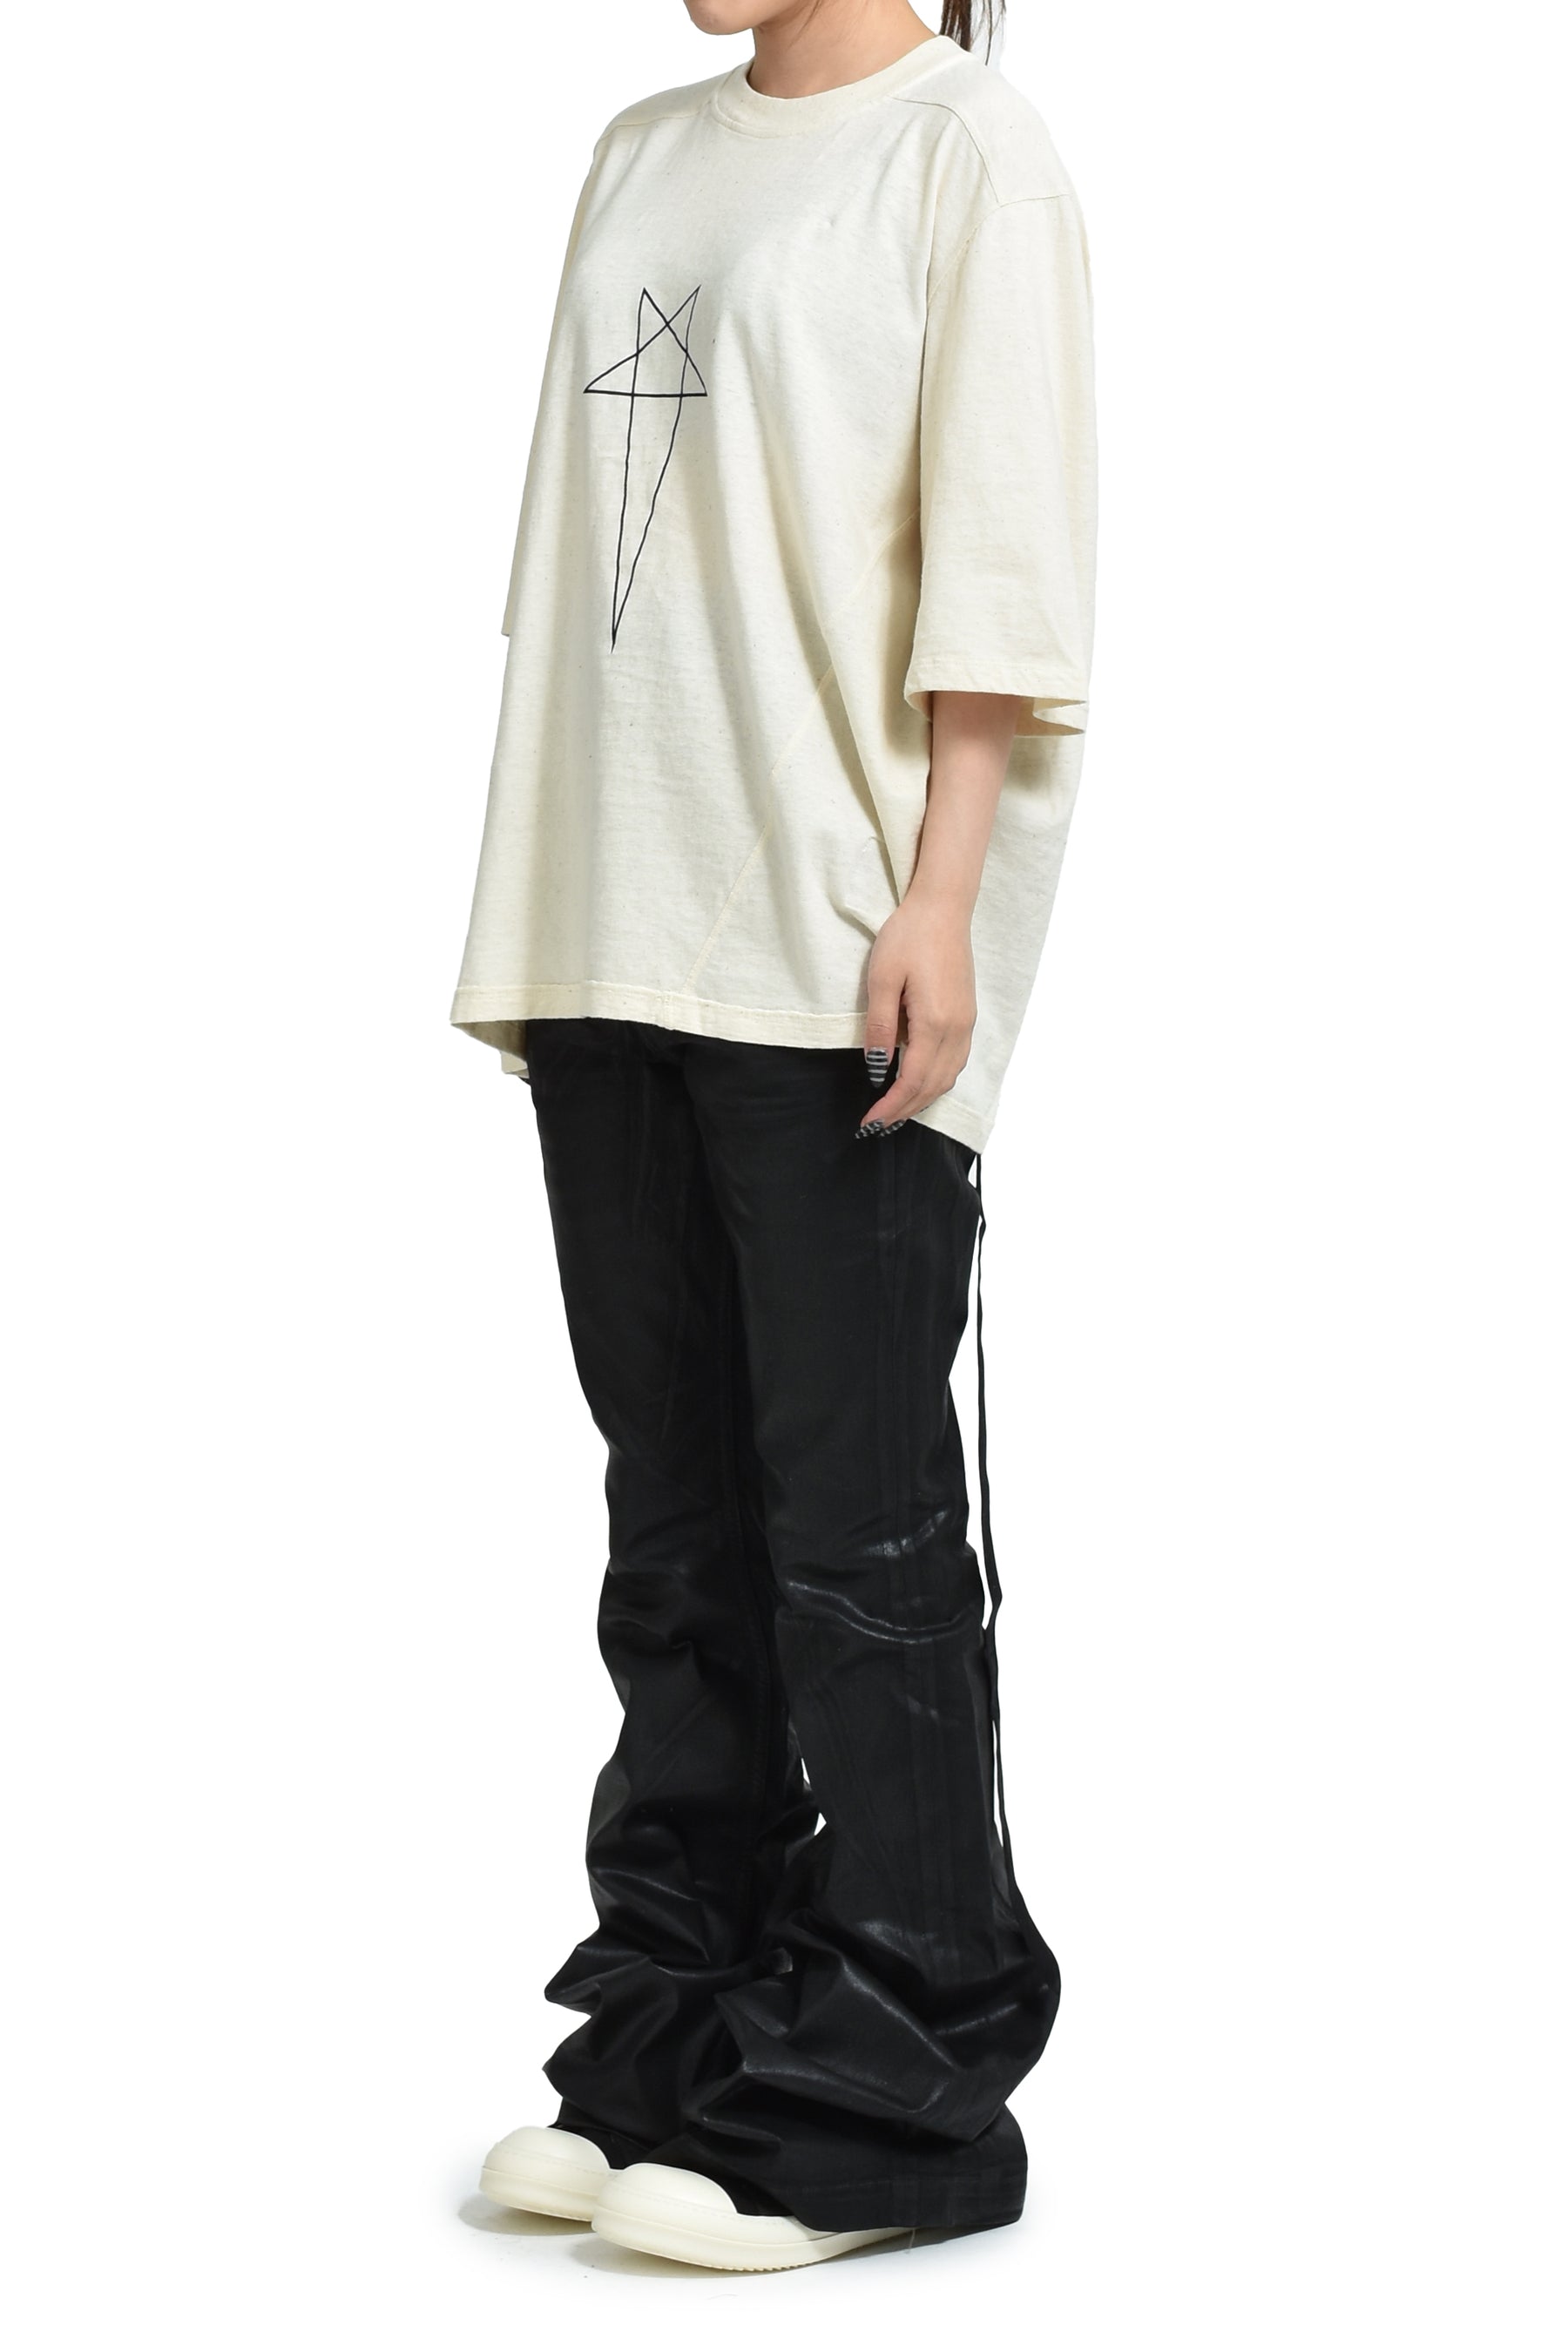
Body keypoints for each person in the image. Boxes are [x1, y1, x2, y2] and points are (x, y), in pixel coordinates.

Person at [450, 0, 1095, 2274]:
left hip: (826, 926)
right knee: (677, 1520)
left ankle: (901, 2079)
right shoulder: (641, 150)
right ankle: (682, 2016)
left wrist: (943, 900)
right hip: (612, 902)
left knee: (858, 1533)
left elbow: (1003, 572)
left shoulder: (964, 154)